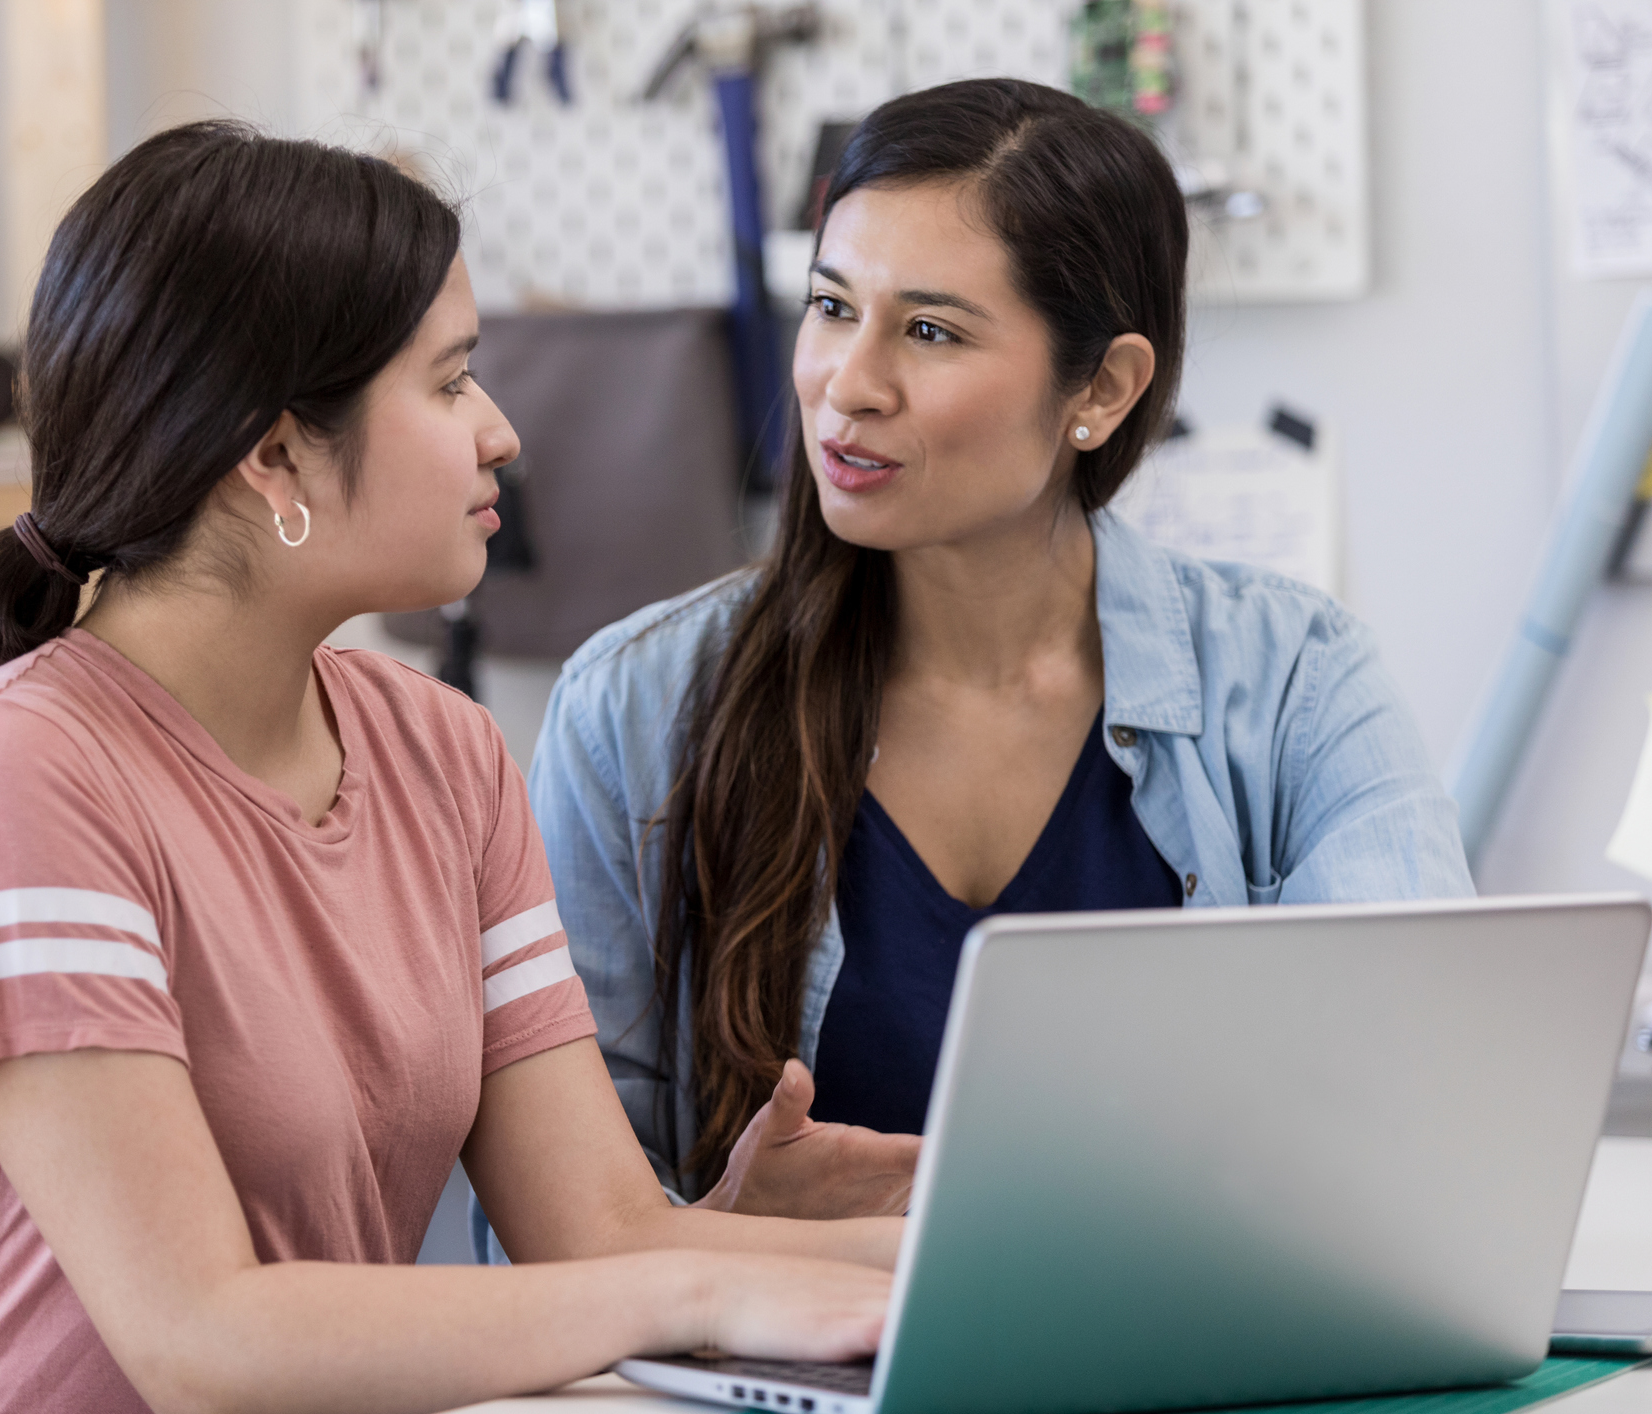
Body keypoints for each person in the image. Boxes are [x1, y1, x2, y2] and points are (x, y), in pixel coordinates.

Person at [0, 121, 899, 1414]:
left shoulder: (442, 750)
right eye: (450, 383)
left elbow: (603, 1231)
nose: (500, 432)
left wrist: (954, 1259)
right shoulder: (15, 775)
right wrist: (698, 1291)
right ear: (273, 453)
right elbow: (202, 1338)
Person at [522, 78, 1474, 1231]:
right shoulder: (633, 709)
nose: (848, 385)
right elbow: (546, 1235)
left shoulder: (1294, 687)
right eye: (831, 306)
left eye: (929, 330)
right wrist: (712, 1230)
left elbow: (1419, 1124)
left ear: (1102, 388)